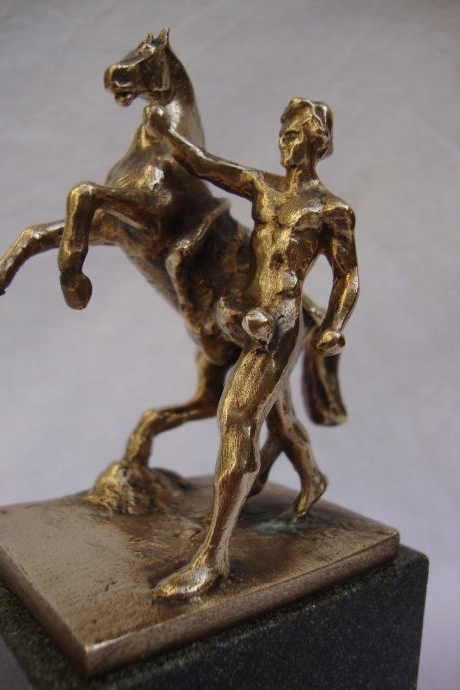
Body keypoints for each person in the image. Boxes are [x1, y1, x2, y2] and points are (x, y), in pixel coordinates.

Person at [145, 97, 359, 598]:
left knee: (237, 416)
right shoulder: (263, 186)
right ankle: (313, 478)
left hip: (280, 321)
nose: (285, 142)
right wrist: (167, 135)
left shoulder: (331, 211)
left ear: (318, 143)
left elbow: (348, 275)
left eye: (295, 134)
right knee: (277, 414)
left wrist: (333, 325)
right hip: (245, 315)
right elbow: (205, 165)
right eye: (283, 133)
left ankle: (212, 559)